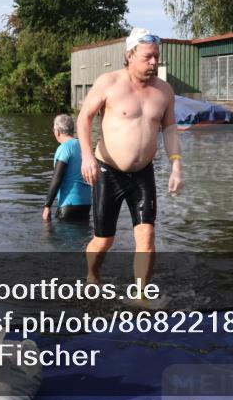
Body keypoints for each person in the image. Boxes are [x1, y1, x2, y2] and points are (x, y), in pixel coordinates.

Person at [77, 27, 184, 295]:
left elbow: (170, 129)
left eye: (156, 57)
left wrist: (176, 165)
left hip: (143, 173)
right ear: (130, 55)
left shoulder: (164, 91)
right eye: (148, 57)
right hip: (108, 171)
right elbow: (84, 118)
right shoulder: (109, 82)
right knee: (104, 240)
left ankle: (140, 295)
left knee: (147, 236)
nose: (154, 62)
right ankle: (91, 274)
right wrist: (87, 156)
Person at [43, 114, 92, 223]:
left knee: (58, 237)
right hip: (86, 204)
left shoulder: (64, 148)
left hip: (69, 205)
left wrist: (47, 206)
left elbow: (57, 178)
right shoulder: (83, 145)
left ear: (58, 131)